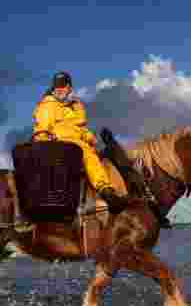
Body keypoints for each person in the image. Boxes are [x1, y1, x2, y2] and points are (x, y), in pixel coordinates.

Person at [32, 72, 129, 213]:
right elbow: (41, 131)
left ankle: (128, 189)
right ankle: (105, 191)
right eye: (57, 87)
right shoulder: (47, 106)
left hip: (78, 142)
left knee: (105, 154)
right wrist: (45, 144)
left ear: (69, 87)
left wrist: (93, 140)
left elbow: (81, 129)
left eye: (63, 86)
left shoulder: (76, 107)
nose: (59, 89)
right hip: (60, 145)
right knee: (85, 152)